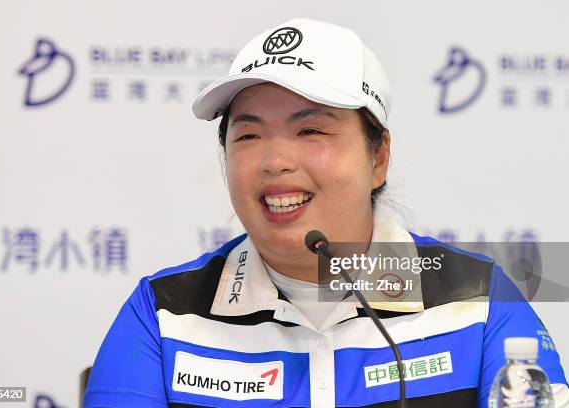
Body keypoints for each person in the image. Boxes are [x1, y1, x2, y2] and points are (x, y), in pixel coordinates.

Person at [83, 18, 568, 407]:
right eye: (248, 136)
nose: (275, 161)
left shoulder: (477, 305)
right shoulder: (163, 315)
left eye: (310, 131)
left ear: (377, 158)